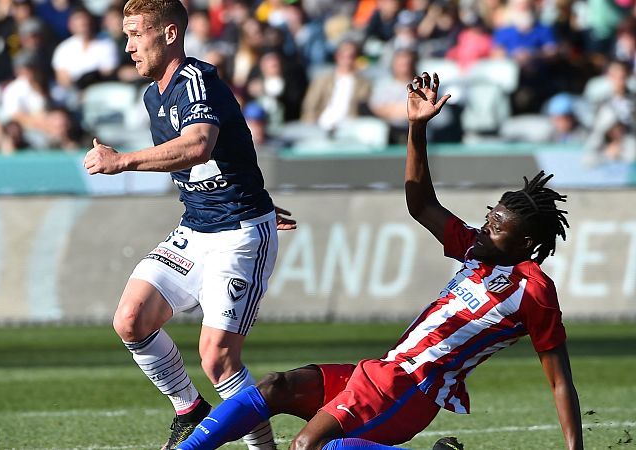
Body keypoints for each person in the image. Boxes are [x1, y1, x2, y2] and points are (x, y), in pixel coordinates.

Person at [174, 72, 584, 450]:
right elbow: (421, 203)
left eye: (496, 225)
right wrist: (417, 128)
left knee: (307, 447)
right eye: (489, 215)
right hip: (383, 371)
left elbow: (560, 379)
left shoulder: (534, 289)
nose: (485, 226)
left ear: (525, 241)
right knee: (274, 387)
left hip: (413, 391)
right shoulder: (476, 248)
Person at [81, 1, 296, 449]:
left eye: (137, 34)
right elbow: (222, 155)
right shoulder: (152, 94)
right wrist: (243, 191)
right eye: (126, 35)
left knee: (218, 360)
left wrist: (122, 161)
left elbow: (198, 145)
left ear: (170, 34)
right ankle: (190, 409)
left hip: (238, 234)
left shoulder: (195, 80)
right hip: (197, 228)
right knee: (131, 319)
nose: (129, 47)